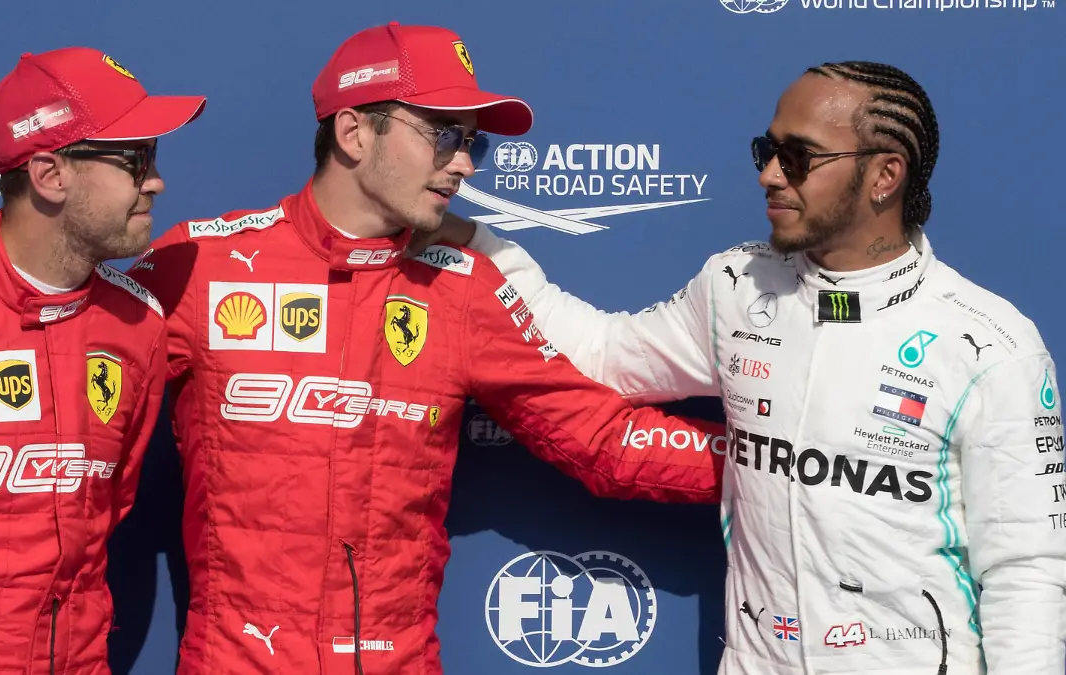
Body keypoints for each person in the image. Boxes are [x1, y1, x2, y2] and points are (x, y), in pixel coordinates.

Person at [126, 21, 728, 675]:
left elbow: (603, 442)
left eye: (472, 142)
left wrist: (778, 464)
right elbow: (58, 424)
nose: (465, 163)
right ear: (354, 133)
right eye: (444, 134)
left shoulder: (463, 287)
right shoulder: (200, 267)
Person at [431, 61, 1066, 674]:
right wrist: (482, 247)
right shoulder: (736, 285)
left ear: (885, 175)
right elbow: (602, 354)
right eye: (766, 148)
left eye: (799, 157)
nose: (768, 174)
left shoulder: (992, 344)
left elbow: (1028, 568)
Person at [0, 47, 206, 674]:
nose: (156, 180)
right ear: (50, 175)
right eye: (136, 159)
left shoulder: (140, 326)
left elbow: (111, 506)